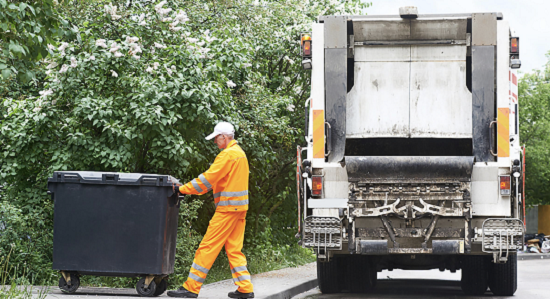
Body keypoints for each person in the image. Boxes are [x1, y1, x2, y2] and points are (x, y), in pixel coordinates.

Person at [168, 122, 254, 299]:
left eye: (216, 137)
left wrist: (182, 189)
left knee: (207, 247)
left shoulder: (228, 155)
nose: (215, 141)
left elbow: (207, 179)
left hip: (228, 209)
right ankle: (245, 288)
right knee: (234, 249)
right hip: (239, 209)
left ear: (224, 136)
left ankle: (191, 287)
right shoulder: (240, 154)